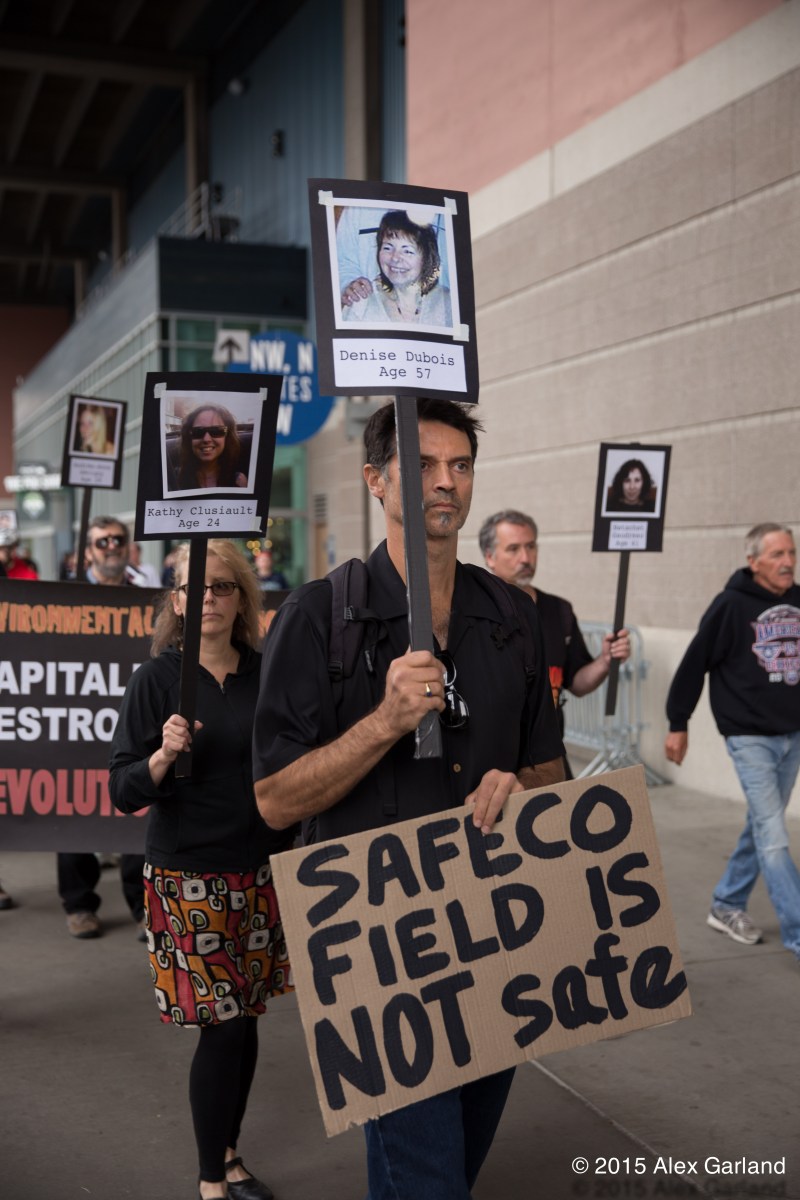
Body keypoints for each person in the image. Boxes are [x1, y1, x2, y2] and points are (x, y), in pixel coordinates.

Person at [252, 397, 565, 1200]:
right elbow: (276, 801)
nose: (445, 482)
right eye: (422, 465)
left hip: (495, 932)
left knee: (452, 1162)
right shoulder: (318, 616)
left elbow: (550, 771)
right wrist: (384, 722)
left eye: (459, 465)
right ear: (375, 480)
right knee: (428, 1179)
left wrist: (520, 787)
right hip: (379, 948)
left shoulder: (512, 616)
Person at [109, 539, 292, 1200]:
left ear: (242, 598)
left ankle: (229, 1151)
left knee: (247, 1020)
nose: (208, 598)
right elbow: (123, 789)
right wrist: (162, 756)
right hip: (189, 877)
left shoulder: (267, 673)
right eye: (195, 587)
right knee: (225, 1025)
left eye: (222, 586)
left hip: (262, 871)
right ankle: (213, 1177)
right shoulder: (157, 680)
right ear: (177, 600)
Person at [665, 523, 800, 962]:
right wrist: (678, 722)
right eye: (777, 554)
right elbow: (694, 663)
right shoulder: (730, 605)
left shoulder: (798, 600)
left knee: (763, 824)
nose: (787, 562)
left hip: (792, 734)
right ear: (753, 561)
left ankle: (726, 902)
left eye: (791, 553)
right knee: (774, 836)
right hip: (749, 737)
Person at [479, 509, 630, 774]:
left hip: (549, 759)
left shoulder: (559, 611)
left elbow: (577, 683)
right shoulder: (475, 612)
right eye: (513, 549)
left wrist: (605, 661)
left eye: (530, 546)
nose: (525, 558)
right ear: (490, 557)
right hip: (491, 766)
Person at [58, 516, 146, 939]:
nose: (111, 546)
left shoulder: (147, 596)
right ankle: (78, 905)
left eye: (118, 539)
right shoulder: (65, 599)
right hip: (77, 724)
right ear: (88, 551)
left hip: (130, 722)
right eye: (102, 541)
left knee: (137, 816)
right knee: (72, 809)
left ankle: (142, 907)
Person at [341, 209, 452, 327]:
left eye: (407, 251)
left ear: (426, 257)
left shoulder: (448, 303)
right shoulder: (361, 303)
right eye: (387, 248)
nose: (395, 258)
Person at [175, 405, 248, 490]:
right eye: (198, 432)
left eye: (216, 431)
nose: (206, 439)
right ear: (189, 438)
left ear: (227, 437)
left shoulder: (239, 482)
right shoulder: (174, 478)